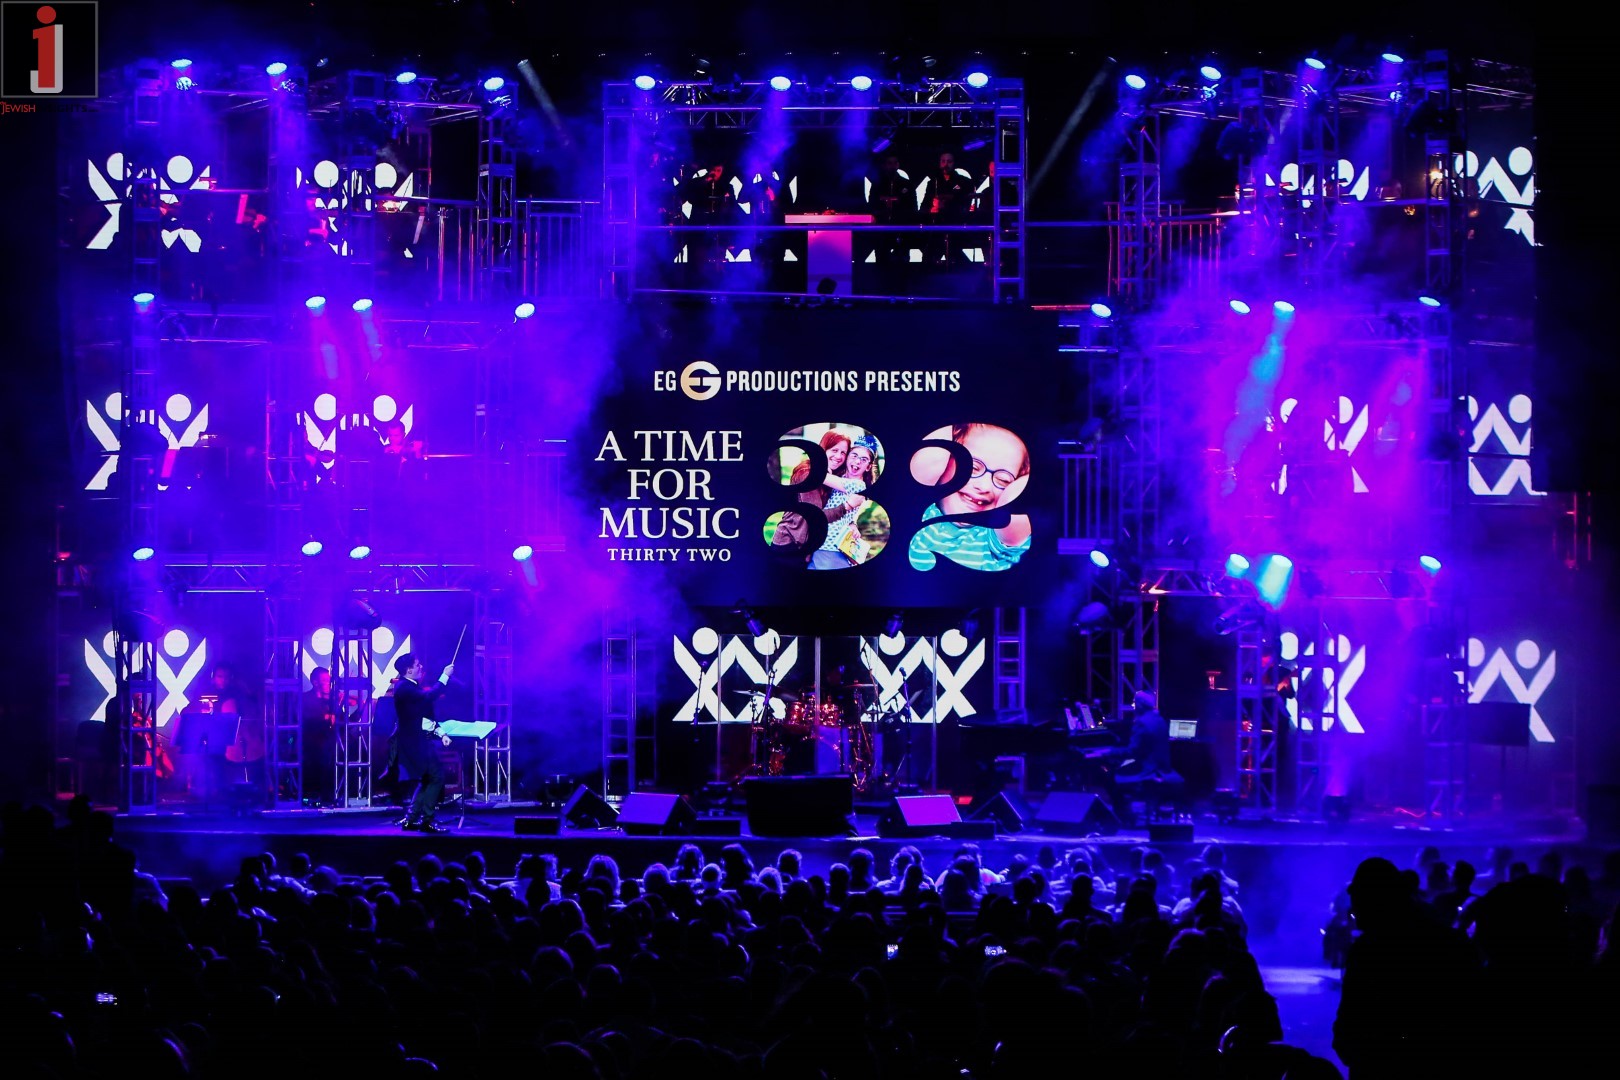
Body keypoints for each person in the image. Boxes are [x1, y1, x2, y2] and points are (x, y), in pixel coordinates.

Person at [908, 423, 1032, 571]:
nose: (984, 486)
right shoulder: (916, 507)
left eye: (1003, 480)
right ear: (946, 459)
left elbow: (1017, 498)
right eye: (971, 467)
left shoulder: (995, 540)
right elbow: (932, 457)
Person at [390, 652, 455, 833]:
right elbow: (429, 697)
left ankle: (412, 819)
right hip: (415, 743)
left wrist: (441, 733)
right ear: (408, 670)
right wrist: (445, 676)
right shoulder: (404, 688)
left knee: (427, 779)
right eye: (417, 665)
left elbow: (425, 717)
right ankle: (427, 820)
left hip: (419, 741)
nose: (421, 667)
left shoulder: (411, 687)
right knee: (436, 777)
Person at [771, 430, 856, 560]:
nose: (838, 456)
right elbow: (815, 517)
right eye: (834, 450)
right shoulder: (806, 473)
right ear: (823, 449)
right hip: (789, 542)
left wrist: (852, 523)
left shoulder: (833, 477)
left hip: (809, 546)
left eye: (843, 452)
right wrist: (847, 506)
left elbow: (834, 503)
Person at [810, 433, 879, 570]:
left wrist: (815, 463)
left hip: (831, 545)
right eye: (854, 456)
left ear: (868, 467)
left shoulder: (859, 486)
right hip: (820, 544)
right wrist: (852, 523)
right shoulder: (840, 476)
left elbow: (818, 476)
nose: (857, 461)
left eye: (864, 459)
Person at [301, 666, 339, 806]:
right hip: (312, 741)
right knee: (320, 757)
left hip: (331, 741)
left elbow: (342, 721)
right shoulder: (305, 698)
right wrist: (326, 716)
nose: (328, 684)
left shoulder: (332, 700)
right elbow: (306, 719)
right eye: (324, 681)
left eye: (329, 681)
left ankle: (334, 794)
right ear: (315, 682)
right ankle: (314, 794)